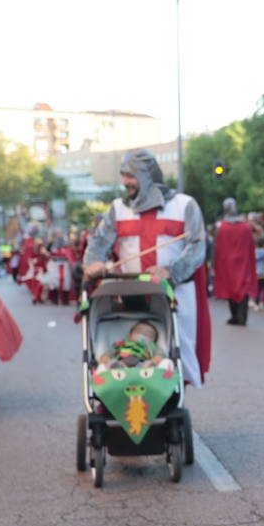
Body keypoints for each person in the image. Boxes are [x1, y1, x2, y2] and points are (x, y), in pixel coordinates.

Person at [84, 150, 210, 387]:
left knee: (175, 350)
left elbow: (197, 248)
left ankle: (175, 408)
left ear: (146, 175)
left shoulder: (184, 205)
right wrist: (93, 263)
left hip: (175, 293)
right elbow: (99, 242)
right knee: (130, 348)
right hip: (130, 293)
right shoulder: (117, 208)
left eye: (129, 176)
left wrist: (171, 271)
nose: (124, 182)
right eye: (123, 175)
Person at [213, 198, 257, 326]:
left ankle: (234, 315)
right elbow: (251, 245)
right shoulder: (245, 227)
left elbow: (216, 247)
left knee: (230, 287)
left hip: (226, 263)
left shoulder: (221, 227)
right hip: (243, 261)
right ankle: (241, 315)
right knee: (243, 286)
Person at [99, 320, 165, 368]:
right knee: (113, 363)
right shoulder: (121, 344)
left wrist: (156, 360)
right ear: (129, 336)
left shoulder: (151, 346)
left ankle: (149, 367)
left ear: (154, 341)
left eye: (149, 334)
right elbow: (109, 353)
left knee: (147, 365)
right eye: (139, 331)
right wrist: (106, 359)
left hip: (141, 366)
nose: (144, 334)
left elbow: (160, 354)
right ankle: (115, 367)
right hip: (121, 363)